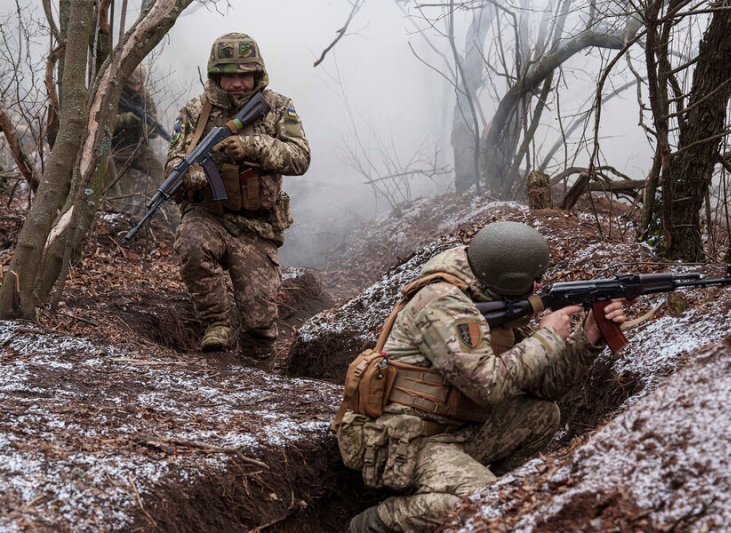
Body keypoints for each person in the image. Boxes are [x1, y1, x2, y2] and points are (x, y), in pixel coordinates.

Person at [335, 221, 630, 533]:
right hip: (405, 442)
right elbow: (487, 386)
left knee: (541, 415)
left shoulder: (488, 298)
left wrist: (589, 336)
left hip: (455, 431)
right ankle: (376, 523)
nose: (540, 285)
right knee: (488, 505)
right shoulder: (441, 303)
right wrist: (546, 338)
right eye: (535, 279)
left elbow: (546, 386)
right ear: (510, 279)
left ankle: (494, 506)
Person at [166, 33, 310, 366]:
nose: (236, 83)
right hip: (210, 216)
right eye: (228, 75)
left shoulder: (277, 107)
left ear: (257, 74)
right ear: (216, 76)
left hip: (256, 227)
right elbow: (173, 159)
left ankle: (258, 379)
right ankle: (216, 322)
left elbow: (300, 157)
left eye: (244, 74)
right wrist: (188, 173)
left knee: (260, 324)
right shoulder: (194, 112)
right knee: (190, 242)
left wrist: (253, 147)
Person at [108, 65, 166, 217]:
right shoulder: (113, 94)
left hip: (138, 149)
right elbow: (102, 123)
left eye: (138, 84)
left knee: (160, 171)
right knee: (124, 193)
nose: (135, 88)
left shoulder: (145, 97)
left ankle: (169, 210)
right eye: (131, 84)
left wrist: (147, 128)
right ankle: (120, 220)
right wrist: (124, 120)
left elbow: (153, 129)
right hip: (115, 153)